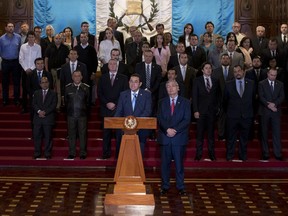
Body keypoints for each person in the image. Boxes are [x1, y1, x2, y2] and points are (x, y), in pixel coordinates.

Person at [157, 80, 191, 196]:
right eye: (168, 86)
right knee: (165, 164)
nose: (170, 88)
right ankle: (165, 186)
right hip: (165, 137)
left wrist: (174, 130)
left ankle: (181, 187)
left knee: (179, 164)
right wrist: (167, 129)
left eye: (173, 86)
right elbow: (160, 118)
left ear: (178, 88)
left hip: (179, 138)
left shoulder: (186, 102)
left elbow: (186, 120)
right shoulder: (162, 102)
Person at [97, 59, 129, 159]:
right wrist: (107, 103)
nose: (112, 65)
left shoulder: (123, 78)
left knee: (119, 134)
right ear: (107, 65)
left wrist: (115, 104)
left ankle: (119, 154)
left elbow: (125, 94)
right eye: (110, 63)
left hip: (118, 109)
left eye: (114, 64)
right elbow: (99, 93)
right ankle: (106, 153)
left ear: (117, 65)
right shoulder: (102, 78)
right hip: (105, 108)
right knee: (106, 133)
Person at [114, 73, 152, 157]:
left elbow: (147, 111)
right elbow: (119, 111)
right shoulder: (123, 95)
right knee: (125, 155)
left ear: (140, 84)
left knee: (138, 155)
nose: (133, 84)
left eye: (135, 82)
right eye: (131, 81)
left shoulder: (146, 95)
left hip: (141, 130)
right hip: (125, 131)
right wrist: (115, 121)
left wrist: (135, 122)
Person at [224, 65, 255, 161]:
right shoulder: (228, 84)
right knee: (231, 138)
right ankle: (230, 156)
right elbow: (224, 101)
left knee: (244, 138)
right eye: (235, 71)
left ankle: (243, 156)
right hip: (232, 116)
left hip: (246, 115)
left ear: (243, 71)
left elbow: (254, 100)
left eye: (239, 71)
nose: (237, 73)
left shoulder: (251, 83)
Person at [193, 62, 219, 161]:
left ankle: (211, 154)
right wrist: (195, 110)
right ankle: (198, 154)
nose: (208, 70)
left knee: (211, 135)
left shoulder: (216, 81)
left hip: (212, 112)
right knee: (199, 134)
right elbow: (194, 97)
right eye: (206, 68)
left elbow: (218, 96)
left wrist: (217, 109)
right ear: (202, 70)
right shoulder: (197, 81)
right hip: (200, 112)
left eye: (209, 68)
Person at [258, 69, 285, 161]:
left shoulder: (280, 84)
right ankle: (265, 153)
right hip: (265, 112)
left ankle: (278, 153)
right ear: (268, 74)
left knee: (276, 133)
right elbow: (261, 97)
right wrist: (268, 105)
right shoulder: (261, 83)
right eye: (272, 75)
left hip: (276, 112)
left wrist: (275, 104)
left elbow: (282, 96)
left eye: (275, 75)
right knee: (264, 133)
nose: (273, 77)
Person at [65, 70, 90, 160]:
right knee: (71, 134)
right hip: (71, 114)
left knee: (82, 134)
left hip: (82, 115)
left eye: (79, 76)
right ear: (72, 77)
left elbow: (88, 102)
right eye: (75, 76)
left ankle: (82, 153)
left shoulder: (86, 88)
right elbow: (66, 102)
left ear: (81, 77)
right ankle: (72, 152)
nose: (77, 78)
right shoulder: (68, 88)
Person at [32, 77, 57, 159]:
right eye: (43, 82)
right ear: (40, 84)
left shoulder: (53, 93)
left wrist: (45, 112)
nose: (44, 84)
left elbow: (53, 105)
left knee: (48, 137)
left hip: (48, 118)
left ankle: (47, 153)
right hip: (38, 119)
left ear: (49, 83)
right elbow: (34, 104)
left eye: (46, 82)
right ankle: (37, 153)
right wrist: (39, 111)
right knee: (37, 137)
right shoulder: (36, 93)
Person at [44, 34, 69, 110]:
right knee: (50, 88)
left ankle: (58, 106)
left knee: (59, 89)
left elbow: (67, 60)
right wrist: (47, 70)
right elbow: (46, 59)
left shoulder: (65, 48)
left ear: (62, 39)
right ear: (54, 39)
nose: (58, 39)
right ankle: (49, 105)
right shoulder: (49, 47)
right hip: (51, 70)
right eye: (56, 38)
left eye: (59, 38)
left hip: (60, 71)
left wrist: (66, 70)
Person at [19, 31, 42, 113]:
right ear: (27, 38)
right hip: (25, 71)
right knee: (25, 90)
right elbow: (21, 59)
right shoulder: (23, 47)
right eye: (29, 37)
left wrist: (32, 69)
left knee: (35, 89)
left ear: (34, 38)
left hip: (34, 71)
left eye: (32, 37)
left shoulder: (38, 47)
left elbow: (39, 59)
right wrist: (26, 69)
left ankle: (35, 108)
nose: (31, 38)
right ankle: (24, 107)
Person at [0, 22, 22, 106]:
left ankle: (16, 99)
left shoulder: (18, 37)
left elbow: (20, 50)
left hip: (15, 62)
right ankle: (5, 100)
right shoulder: (1, 39)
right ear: (6, 28)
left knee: (16, 82)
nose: (11, 28)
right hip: (5, 62)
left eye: (12, 26)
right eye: (9, 26)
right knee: (5, 82)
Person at [135, 50, 162, 116]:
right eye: (146, 56)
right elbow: (136, 79)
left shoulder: (157, 67)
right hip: (140, 92)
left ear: (152, 57)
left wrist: (151, 90)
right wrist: (142, 89)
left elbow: (158, 80)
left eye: (150, 56)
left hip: (153, 93)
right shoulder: (138, 66)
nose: (148, 58)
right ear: (144, 56)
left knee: (152, 112)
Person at [212, 53, 231, 141]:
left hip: (231, 99)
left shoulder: (234, 70)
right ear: (220, 60)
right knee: (221, 118)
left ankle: (229, 135)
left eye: (227, 58)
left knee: (231, 118)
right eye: (223, 58)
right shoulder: (215, 71)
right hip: (219, 98)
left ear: (230, 60)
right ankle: (221, 135)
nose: (225, 60)